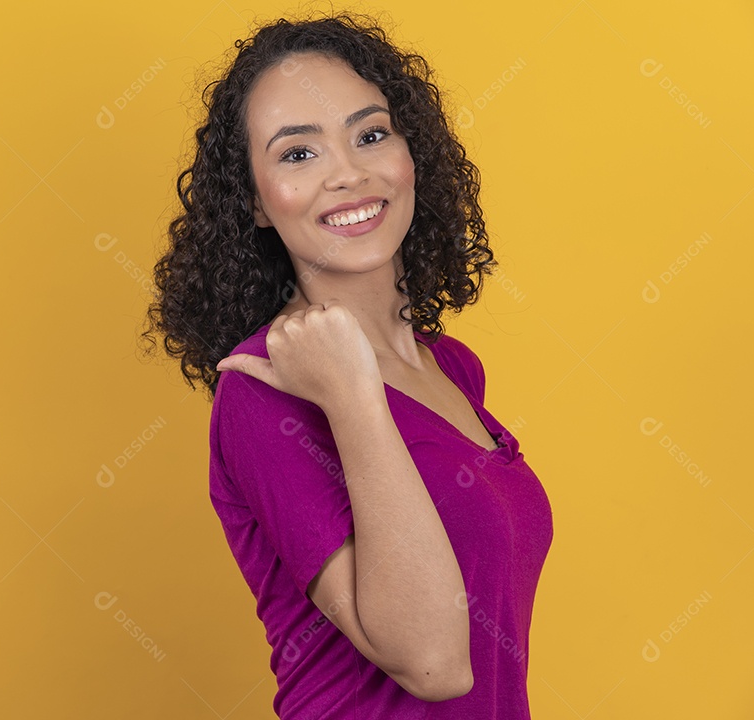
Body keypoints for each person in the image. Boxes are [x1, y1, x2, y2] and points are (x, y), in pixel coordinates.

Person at [142, 11, 554, 719]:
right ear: (257, 204)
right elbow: (434, 664)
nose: (349, 173)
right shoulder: (263, 393)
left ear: (410, 152)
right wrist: (352, 394)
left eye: (370, 135)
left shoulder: (451, 367)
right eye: (298, 154)